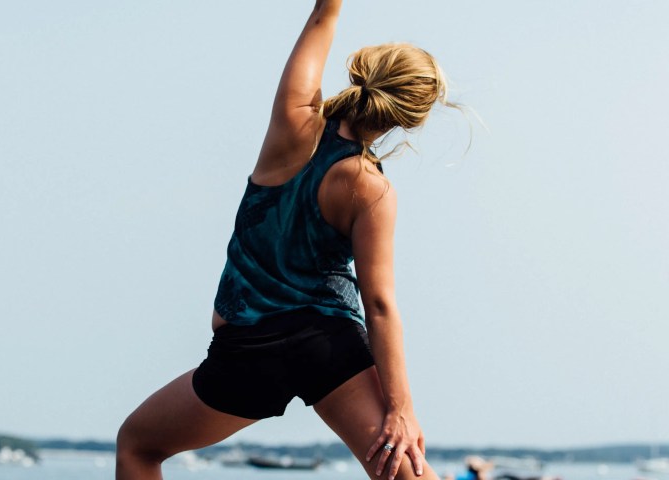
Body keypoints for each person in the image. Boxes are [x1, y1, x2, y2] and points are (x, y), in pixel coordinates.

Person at [116, 1, 454, 479]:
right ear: (408, 117)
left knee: (137, 446)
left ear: (363, 70)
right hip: (328, 345)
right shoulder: (372, 189)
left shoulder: (294, 124)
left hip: (249, 351)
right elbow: (379, 305)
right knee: (405, 475)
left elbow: (322, 18)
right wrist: (402, 409)